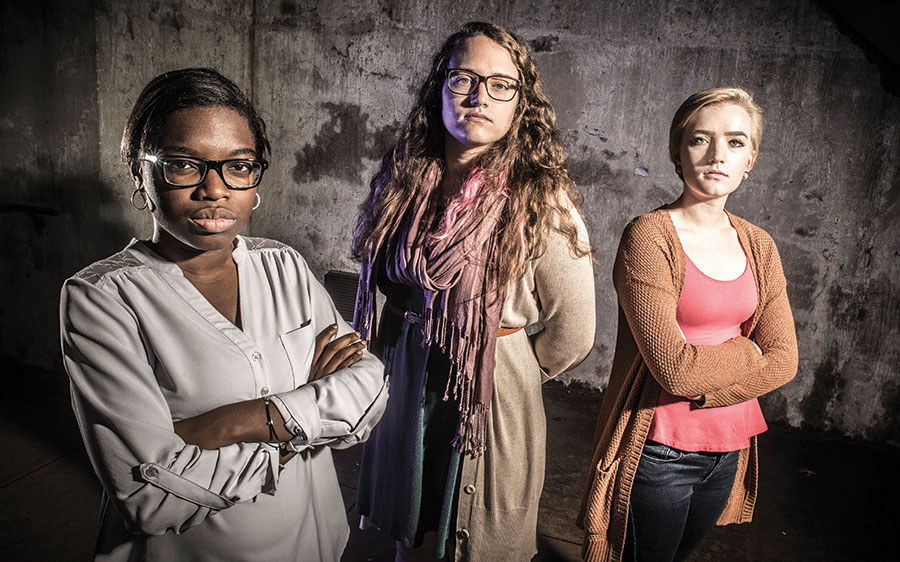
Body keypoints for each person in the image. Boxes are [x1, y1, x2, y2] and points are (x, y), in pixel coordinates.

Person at [59, 68, 388, 562]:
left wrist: (237, 422)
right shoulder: (104, 298)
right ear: (139, 173)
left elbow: (370, 390)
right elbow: (152, 496)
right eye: (184, 164)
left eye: (238, 165)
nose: (215, 189)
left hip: (314, 542)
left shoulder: (283, 265)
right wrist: (310, 415)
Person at [351, 21, 596, 562]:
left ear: (519, 104)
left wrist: (499, 360)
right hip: (409, 382)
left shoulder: (542, 203)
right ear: (439, 88)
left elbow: (573, 335)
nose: (480, 96)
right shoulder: (402, 184)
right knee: (411, 537)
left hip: (490, 396)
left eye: (501, 84)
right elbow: (387, 291)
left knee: (475, 541)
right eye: (464, 78)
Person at [577, 87, 799, 562]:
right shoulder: (648, 237)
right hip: (660, 451)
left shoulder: (759, 245)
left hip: (731, 444)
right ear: (677, 151)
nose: (718, 155)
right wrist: (747, 351)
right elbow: (674, 372)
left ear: (751, 158)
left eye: (736, 142)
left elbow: (785, 361)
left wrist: (711, 378)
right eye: (701, 139)